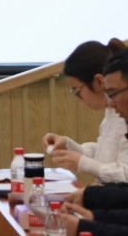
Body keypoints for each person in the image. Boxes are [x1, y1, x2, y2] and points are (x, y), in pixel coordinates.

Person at [59, 48, 128, 236]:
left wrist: (86, 227)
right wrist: (94, 215)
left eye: (112, 93)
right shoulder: (116, 113)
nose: (111, 104)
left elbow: (124, 178)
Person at [42, 38, 128, 183]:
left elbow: (125, 175)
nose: (78, 98)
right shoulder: (111, 112)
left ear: (99, 82)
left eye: (77, 91)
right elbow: (105, 154)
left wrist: (83, 163)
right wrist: (68, 145)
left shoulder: (123, 114)